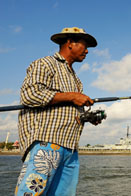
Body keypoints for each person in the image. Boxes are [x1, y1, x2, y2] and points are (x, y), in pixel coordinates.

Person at [15, 27, 100, 196]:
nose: (87, 51)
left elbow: (67, 109)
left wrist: (86, 117)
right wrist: (72, 96)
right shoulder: (44, 64)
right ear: (70, 43)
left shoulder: (76, 79)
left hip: (70, 148)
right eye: (84, 45)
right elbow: (29, 95)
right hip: (46, 142)